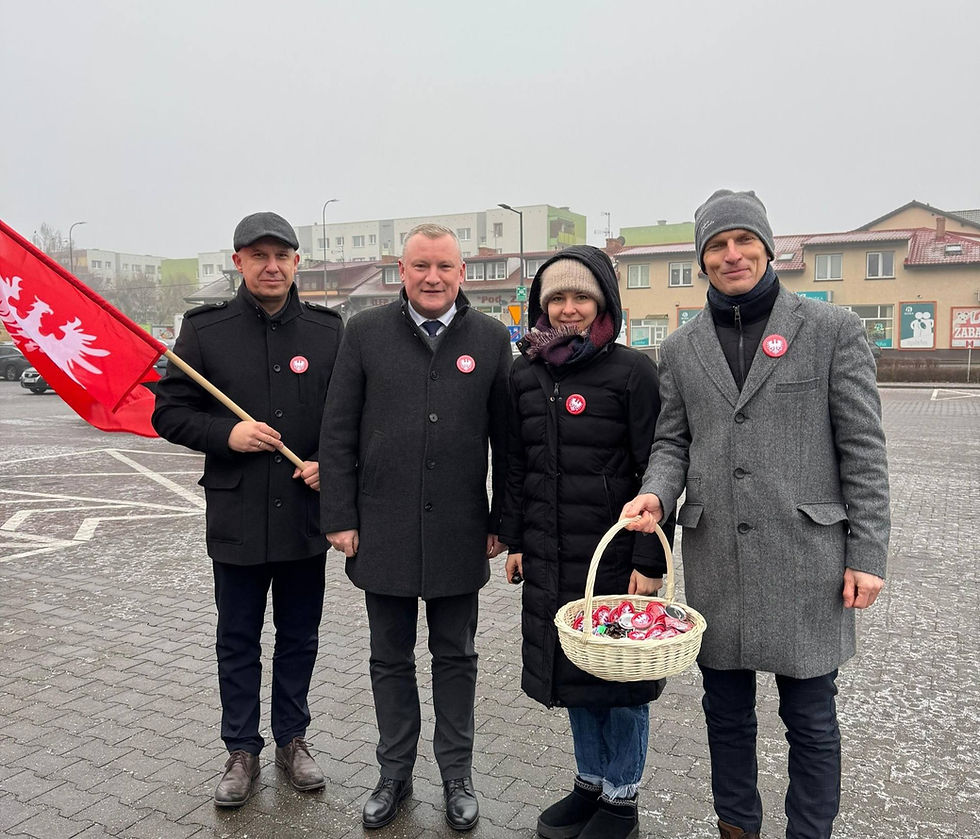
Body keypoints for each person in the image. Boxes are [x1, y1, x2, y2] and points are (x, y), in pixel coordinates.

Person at [622, 189, 890, 839]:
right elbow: (672, 442)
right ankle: (737, 825)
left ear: (769, 249)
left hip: (808, 559)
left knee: (811, 717)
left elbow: (863, 450)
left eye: (744, 240)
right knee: (727, 713)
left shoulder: (832, 331)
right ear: (702, 260)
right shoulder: (683, 347)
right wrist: (657, 492)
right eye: (716, 245)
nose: (731, 254)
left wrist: (868, 555)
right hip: (717, 557)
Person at [319, 223, 511, 831]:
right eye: (420, 266)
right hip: (384, 528)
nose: (433, 278)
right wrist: (340, 517)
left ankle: (458, 775)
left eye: (445, 268)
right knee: (389, 658)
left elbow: (508, 441)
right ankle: (393, 773)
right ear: (400, 271)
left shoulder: (488, 337)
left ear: (461, 274)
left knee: (457, 656)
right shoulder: (366, 334)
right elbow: (338, 430)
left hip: (459, 529)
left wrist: (502, 519)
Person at [152, 212, 343, 807]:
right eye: (258, 255)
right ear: (237, 261)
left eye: (282, 255)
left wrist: (329, 465)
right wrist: (224, 437)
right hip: (237, 517)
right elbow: (168, 412)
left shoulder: (328, 332)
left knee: (299, 636)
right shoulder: (206, 331)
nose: (271, 266)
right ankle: (241, 748)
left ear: (296, 262)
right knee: (236, 637)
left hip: (303, 517)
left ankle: (292, 739)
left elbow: (350, 420)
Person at [497, 246, 675, 839]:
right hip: (551, 555)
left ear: (602, 304)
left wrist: (649, 559)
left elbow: (658, 468)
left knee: (620, 682)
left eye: (581, 298)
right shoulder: (525, 373)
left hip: (618, 558)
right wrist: (517, 539)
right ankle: (590, 783)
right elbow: (516, 465)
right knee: (575, 672)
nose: (569, 309)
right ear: (540, 306)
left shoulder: (632, 372)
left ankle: (621, 800)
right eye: (557, 298)